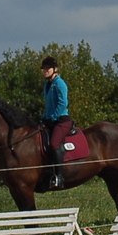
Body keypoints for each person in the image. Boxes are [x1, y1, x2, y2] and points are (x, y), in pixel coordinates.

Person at [40, 55, 71, 189]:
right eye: (44, 68)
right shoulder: (47, 85)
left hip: (61, 120)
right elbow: (48, 105)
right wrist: (43, 119)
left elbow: (63, 103)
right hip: (51, 120)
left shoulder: (60, 83)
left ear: (55, 69)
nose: (45, 70)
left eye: (48, 68)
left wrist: (52, 118)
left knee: (53, 144)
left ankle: (59, 177)